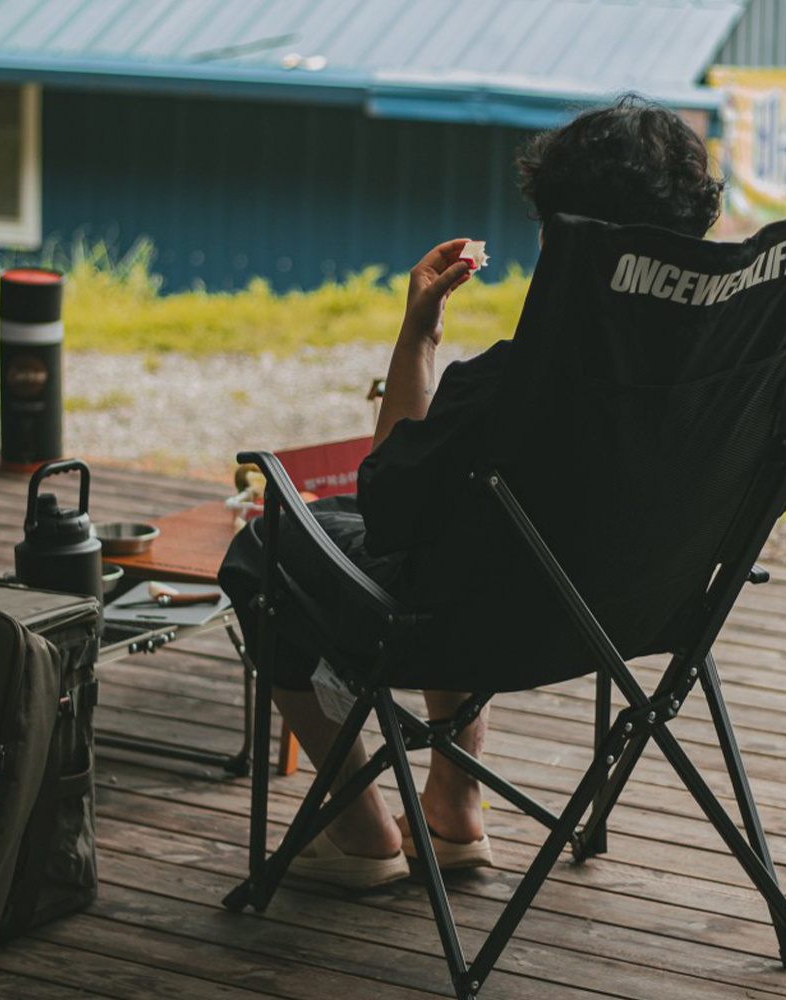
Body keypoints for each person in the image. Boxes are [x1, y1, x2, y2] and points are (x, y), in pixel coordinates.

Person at [219, 94, 724, 887]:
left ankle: (361, 833)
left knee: (266, 545)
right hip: (638, 614)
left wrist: (419, 330)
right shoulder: (720, 384)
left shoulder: (512, 387)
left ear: (562, 236)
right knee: (471, 527)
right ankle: (454, 810)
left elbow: (388, 506)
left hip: (477, 620)